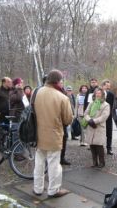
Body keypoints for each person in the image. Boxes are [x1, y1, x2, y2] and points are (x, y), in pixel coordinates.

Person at [33, 69, 73, 197]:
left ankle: (38, 189)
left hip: (37, 134)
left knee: (39, 162)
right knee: (54, 164)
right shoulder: (62, 97)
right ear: (57, 81)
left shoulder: (36, 92)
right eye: (61, 81)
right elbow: (68, 119)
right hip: (54, 136)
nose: (62, 83)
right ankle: (53, 190)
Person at [84, 87, 110, 168]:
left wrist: (94, 121)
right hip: (91, 126)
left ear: (102, 94)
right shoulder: (92, 103)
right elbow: (86, 113)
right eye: (96, 93)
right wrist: (89, 120)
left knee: (99, 146)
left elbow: (104, 116)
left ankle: (102, 162)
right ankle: (94, 162)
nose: (98, 94)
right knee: (92, 145)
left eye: (99, 93)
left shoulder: (106, 105)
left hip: (99, 127)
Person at [101, 79, 114, 155]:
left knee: (109, 133)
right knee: (101, 132)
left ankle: (109, 148)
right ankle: (100, 148)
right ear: (103, 86)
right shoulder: (98, 93)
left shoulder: (111, 94)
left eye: (109, 86)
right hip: (100, 117)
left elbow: (112, 105)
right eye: (107, 86)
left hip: (108, 117)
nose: (108, 88)